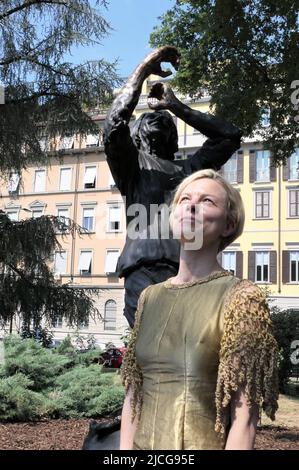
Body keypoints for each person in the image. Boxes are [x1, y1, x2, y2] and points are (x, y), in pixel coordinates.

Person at [120, 169, 279, 450]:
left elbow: (244, 418)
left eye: (207, 201)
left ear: (228, 225)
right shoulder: (149, 298)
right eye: (184, 199)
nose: (191, 205)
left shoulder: (242, 298)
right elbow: (133, 395)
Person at [104, 46, 242, 328]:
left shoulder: (188, 171)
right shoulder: (133, 167)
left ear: (174, 136)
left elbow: (229, 136)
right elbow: (114, 125)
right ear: (137, 135)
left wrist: (175, 106)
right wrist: (143, 69)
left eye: (166, 121)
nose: (158, 119)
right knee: (151, 346)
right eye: (148, 118)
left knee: (188, 348)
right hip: (143, 270)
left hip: (189, 269)